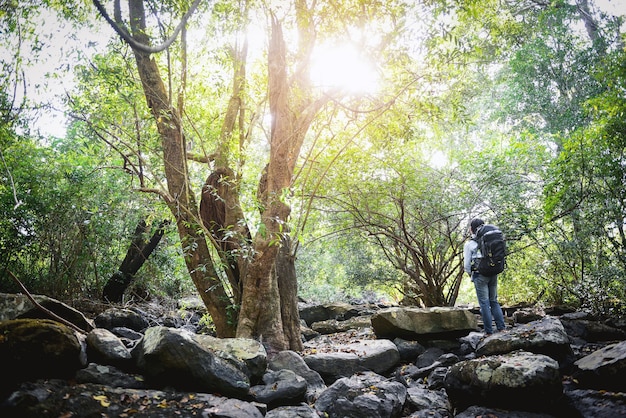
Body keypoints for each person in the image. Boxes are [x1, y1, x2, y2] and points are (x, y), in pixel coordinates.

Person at [463, 218, 506, 335]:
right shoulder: (490, 239)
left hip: (480, 274)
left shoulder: (469, 244)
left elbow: (466, 264)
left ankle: (488, 332)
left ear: (472, 228)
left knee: (484, 303)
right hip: (493, 272)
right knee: (494, 301)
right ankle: (501, 328)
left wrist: (470, 274)